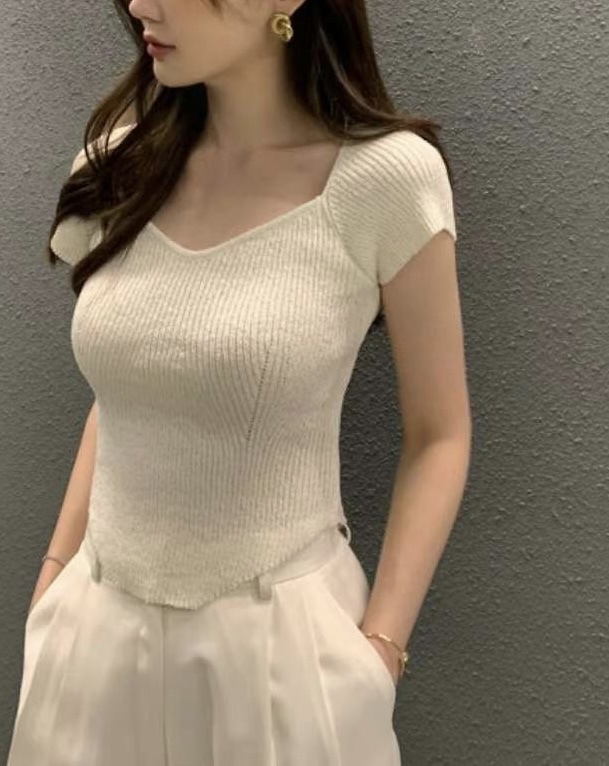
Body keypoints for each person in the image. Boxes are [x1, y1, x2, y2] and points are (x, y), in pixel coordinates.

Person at [8, 0, 471, 763]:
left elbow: (439, 434)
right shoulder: (117, 164)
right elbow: (124, 398)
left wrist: (378, 655)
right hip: (89, 645)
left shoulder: (383, 179)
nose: (139, 5)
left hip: (279, 657)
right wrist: (50, 591)